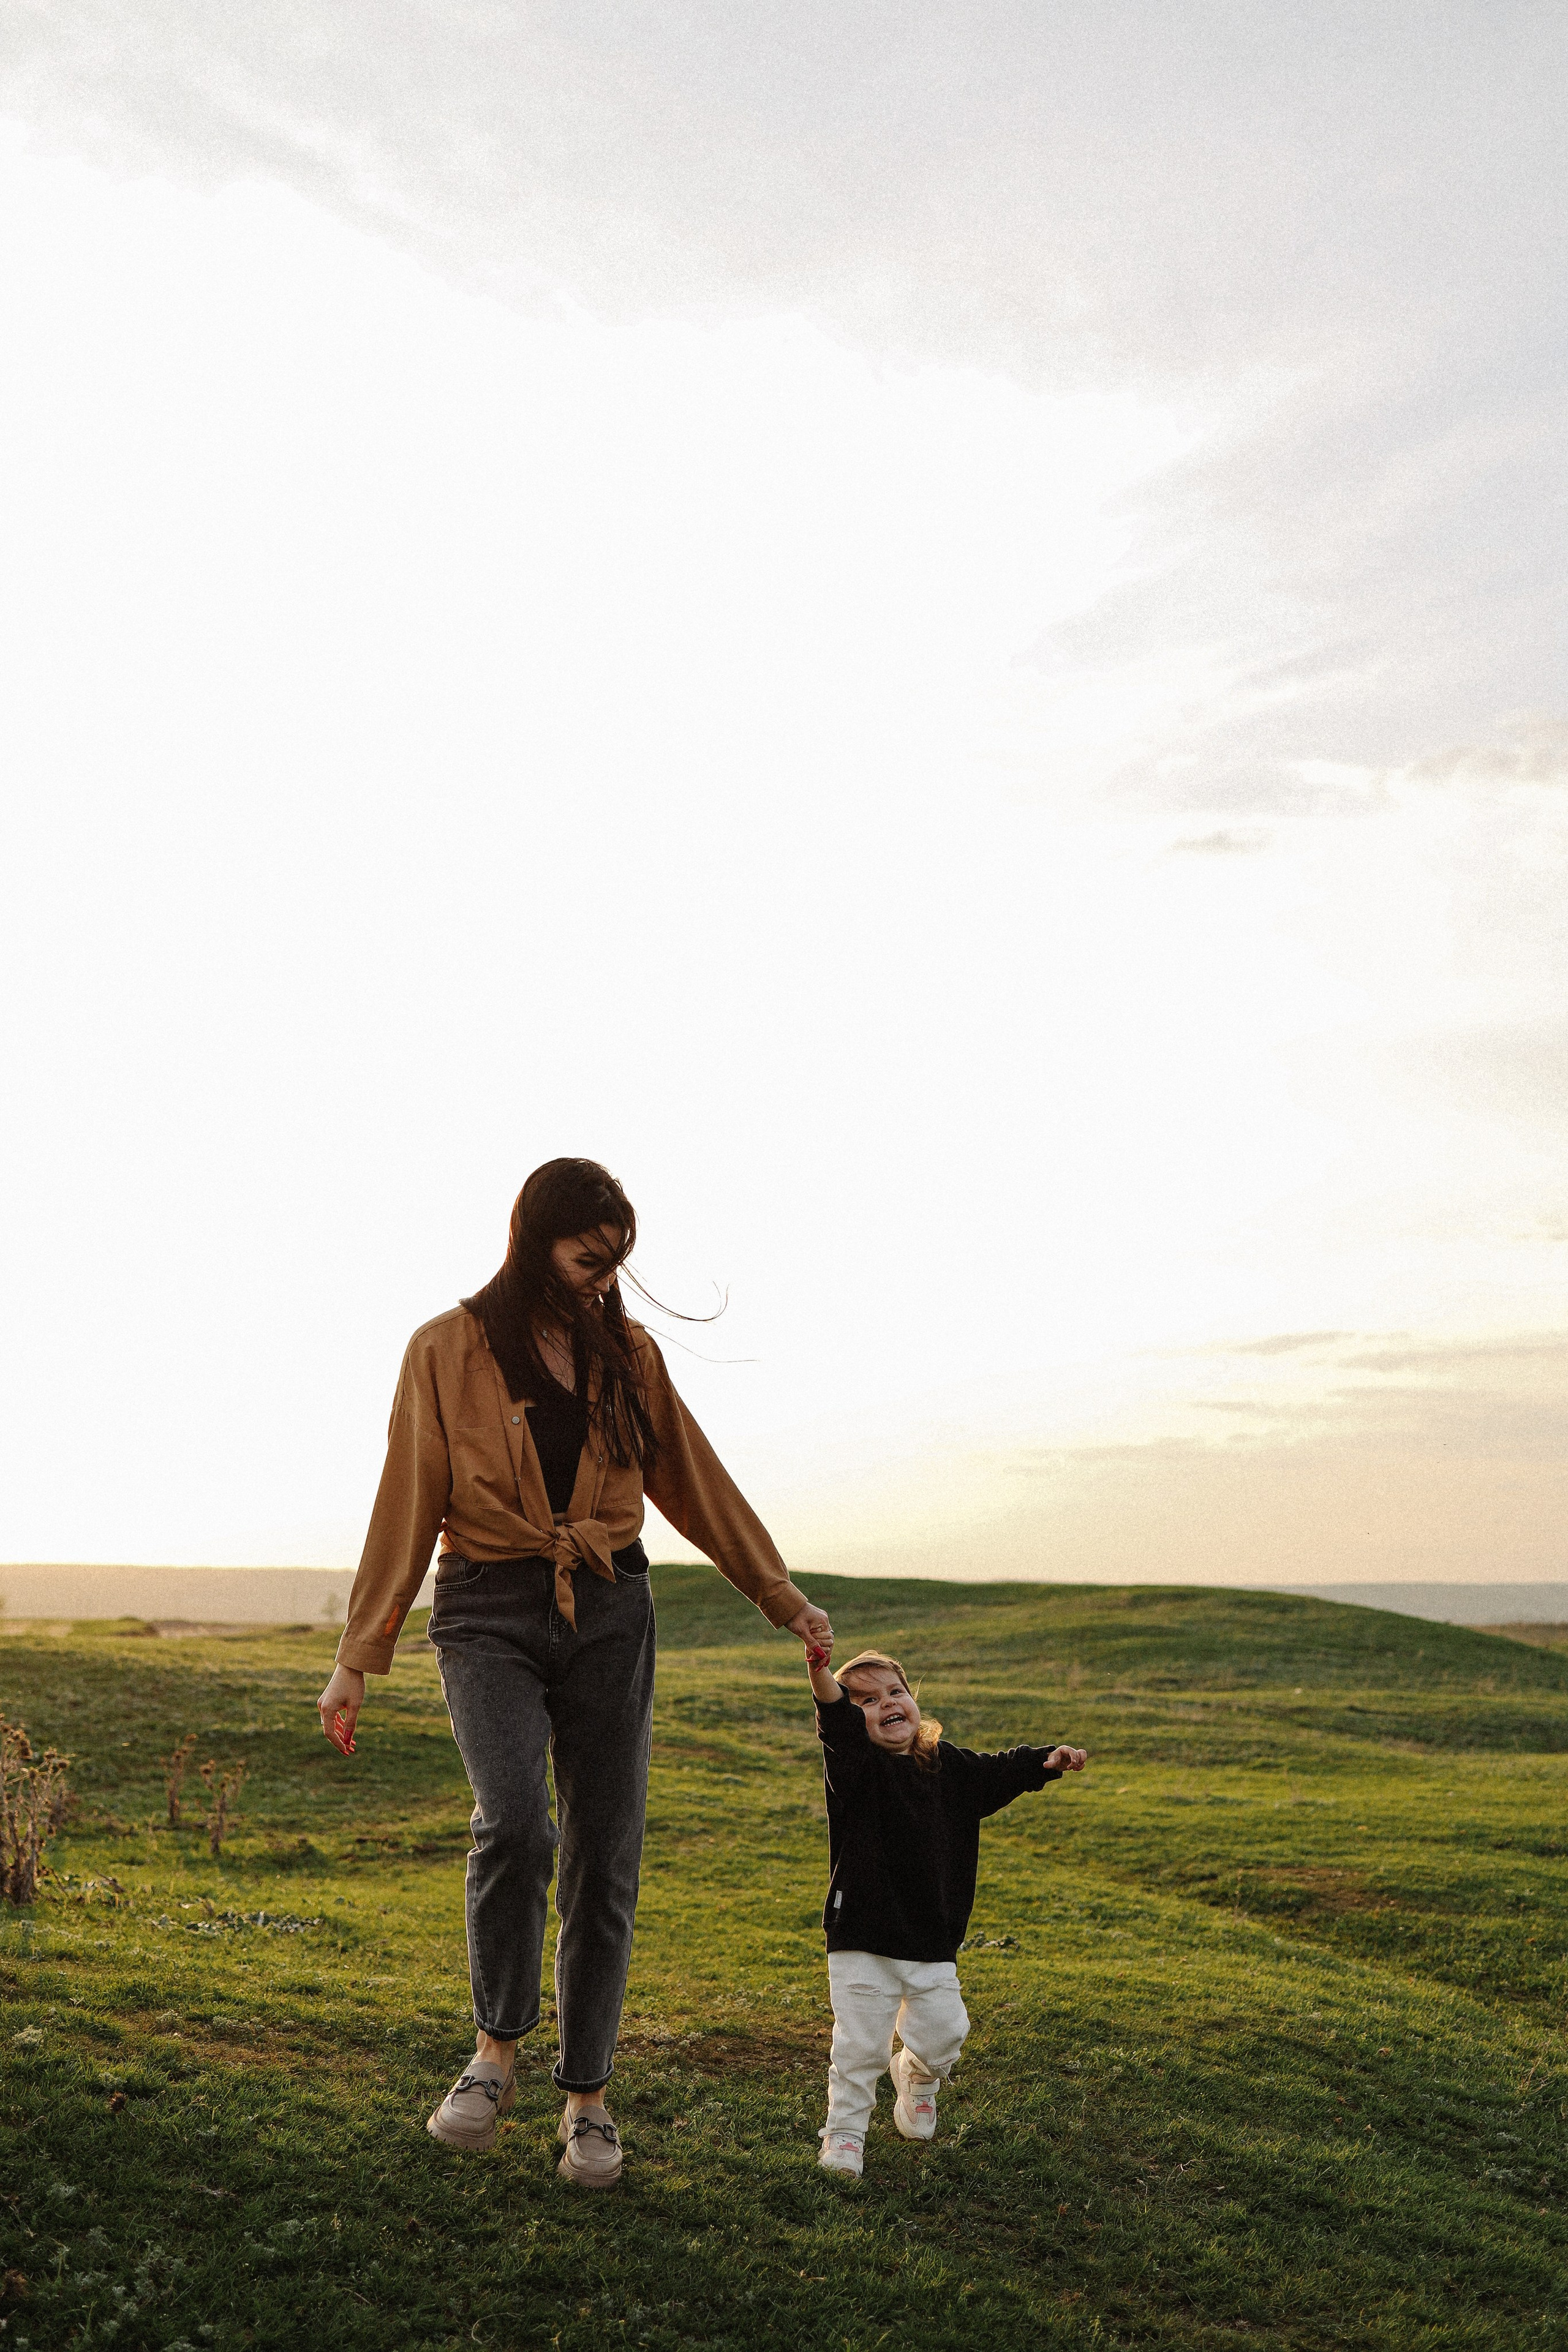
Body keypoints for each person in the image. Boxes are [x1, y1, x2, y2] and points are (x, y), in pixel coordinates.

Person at [315, 1158, 831, 2188]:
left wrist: (784, 1597)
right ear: (537, 1240)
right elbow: (407, 1504)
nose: (604, 1279)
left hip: (611, 1609)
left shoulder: (628, 1355)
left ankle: (588, 2102)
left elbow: (692, 1477)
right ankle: (494, 2054)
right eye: (589, 1259)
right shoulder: (445, 1349)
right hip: (487, 1609)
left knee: (606, 1851)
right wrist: (357, 1658)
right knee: (513, 1822)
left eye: (616, 1263)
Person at [805, 1641, 1085, 2177]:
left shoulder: (950, 1767)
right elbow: (834, 1720)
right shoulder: (856, 1767)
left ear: (913, 1700)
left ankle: (916, 2073)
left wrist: (1045, 1761)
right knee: (860, 2045)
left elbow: (1000, 1771)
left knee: (945, 2033)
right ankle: (843, 2136)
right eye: (863, 1700)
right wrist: (819, 1670)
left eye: (894, 1692)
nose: (885, 1703)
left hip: (933, 1936)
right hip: (861, 1934)